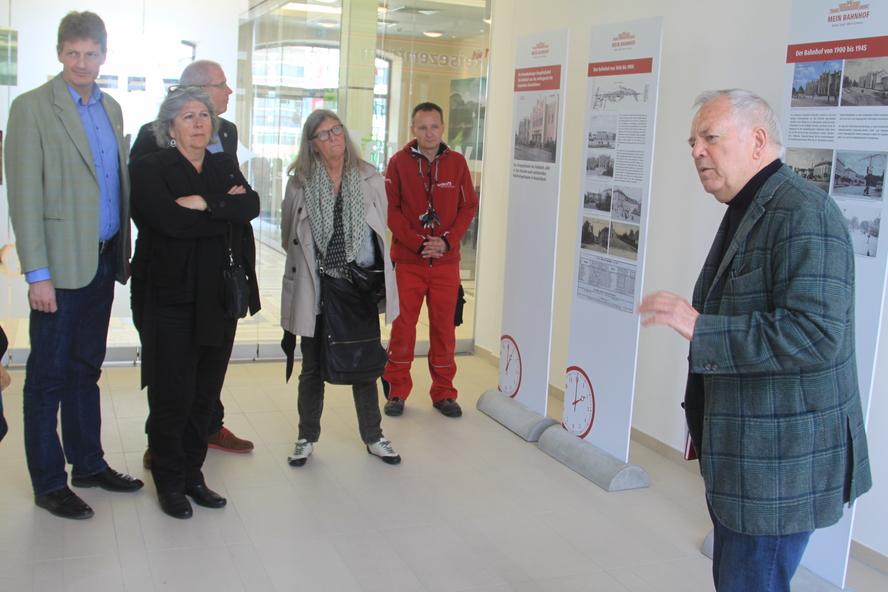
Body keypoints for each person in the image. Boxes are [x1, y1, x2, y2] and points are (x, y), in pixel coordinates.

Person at [638, 89, 871, 592]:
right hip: (750, 458)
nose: (696, 151)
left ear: (758, 140)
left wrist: (701, 326)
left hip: (780, 466)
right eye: (692, 141)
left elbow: (816, 334)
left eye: (710, 137)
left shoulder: (804, 213)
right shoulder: (751, 206)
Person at [4, 11, 143, 520]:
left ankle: (88, 463)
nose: (82, 63)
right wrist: (36, 273)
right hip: (59, 269)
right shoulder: (31, 109)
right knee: (48, 376)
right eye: (72, 54)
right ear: (60, 54)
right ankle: (48, 481)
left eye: (91, 54)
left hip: (103, 259)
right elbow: (24, 195)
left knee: (87, 369)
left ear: (103, 55)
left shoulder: (111, 108)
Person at [129, 86, 260, 519]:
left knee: (204, 395)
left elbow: (253, 206)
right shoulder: (151, 167)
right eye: (188, 116)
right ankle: (168, 482)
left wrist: (204, 204)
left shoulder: (223, 165)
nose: (199, 122)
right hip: (169, 298)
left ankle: (192, 475)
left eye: (204, 115)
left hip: (218, 298)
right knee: (172, 394)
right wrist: (224, 212)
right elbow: (165, 222)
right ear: (169, 127)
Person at [280, 109, 401, 466]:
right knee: (313, 367)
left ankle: (374, 436)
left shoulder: (369, 178)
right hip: (316, 289)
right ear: (313, 145)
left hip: (356, 287)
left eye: (337, 130)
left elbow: (382, 229)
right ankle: (306, 437)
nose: (335, 138)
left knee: (365, 365)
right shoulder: (299, 183)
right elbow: (291, 234)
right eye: (325, 134)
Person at [381, 102, 479, 418]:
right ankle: (396, 391)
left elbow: (468, 207)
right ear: (413, 129)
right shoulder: (397, 163)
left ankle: (444, 393)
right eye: (422, 127)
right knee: (403, 328)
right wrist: (419, 242)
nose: (429, 133)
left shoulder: (457, 163)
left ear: (442, 127)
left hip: (446, 264)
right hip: (409, 262)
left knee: (443, 329)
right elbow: (390, 209)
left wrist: (447, 242)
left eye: (434, 126)